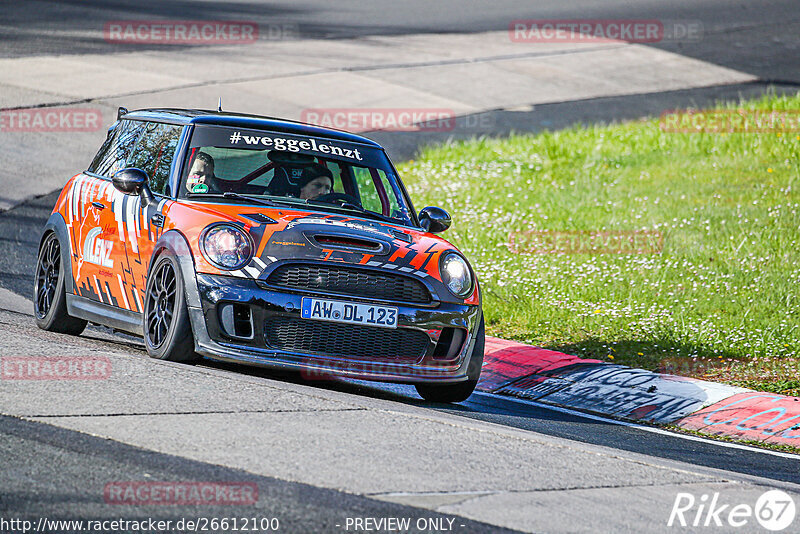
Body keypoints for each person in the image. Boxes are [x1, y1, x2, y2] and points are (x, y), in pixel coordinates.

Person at [268, 163, 333, 200]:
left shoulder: (335, 213)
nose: (322, 192)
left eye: (327, 188)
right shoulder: (285, 208)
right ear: (302, 187)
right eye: (317, 185)